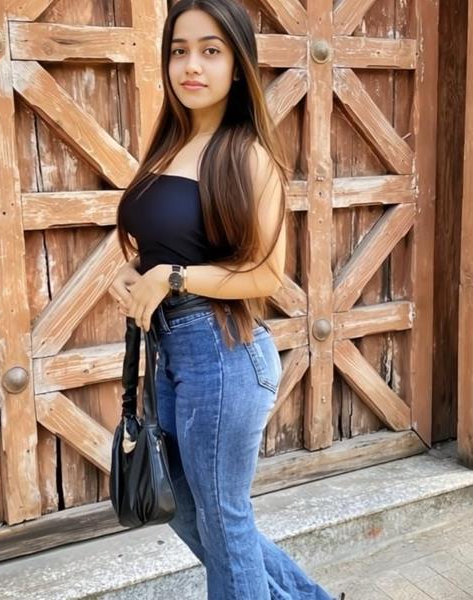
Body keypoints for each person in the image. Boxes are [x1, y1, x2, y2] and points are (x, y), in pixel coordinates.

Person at [110, 1, 341, 598]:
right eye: (179, 51)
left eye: (210, 51)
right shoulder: (169, 146)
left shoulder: (248, 155)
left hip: (224, 354)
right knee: (190, 514)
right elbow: (168, 242)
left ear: (238, 66)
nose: (192, 65)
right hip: (171, 353)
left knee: (223, 519)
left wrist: (174, 278)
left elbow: (265, 274)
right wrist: (136, 274)